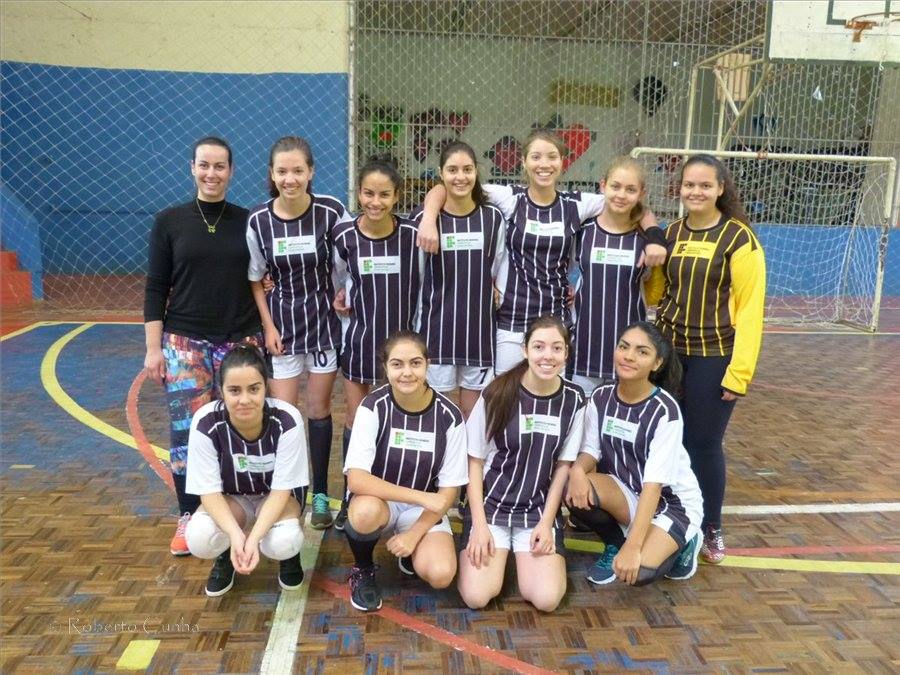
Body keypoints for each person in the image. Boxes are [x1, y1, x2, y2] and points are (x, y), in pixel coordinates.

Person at [416, 130, 668, 374]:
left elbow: (633, 205)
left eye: (552, 156)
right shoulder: (510, 197)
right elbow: (446, 188)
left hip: (555, 320)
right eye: (536, 156)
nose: (544, 164)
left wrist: (655, 237)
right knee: (506, 394)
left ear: (562, 162)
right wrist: (428, 220)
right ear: (524, 162)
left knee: (552, 394)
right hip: (512, 319)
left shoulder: (575, 204)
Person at [143, 136, 262, 556]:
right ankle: (189, 513)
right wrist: (153, 349)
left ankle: (238, 509)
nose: (212, 173)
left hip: (240, 339)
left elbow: (262, 276)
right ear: (192, 168)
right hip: (184, 342)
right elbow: (156, 287)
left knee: (240, 424)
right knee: (188, 432)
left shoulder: (249, 221)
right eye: (204, 165)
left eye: (220, 166)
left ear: (231, 171)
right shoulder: (169, 221)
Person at [656, 154, 766, 563]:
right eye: (689, 184)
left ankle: (711, 525)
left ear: (721, 188)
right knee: (668, 441)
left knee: (702, 443)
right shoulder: (670, 233)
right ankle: (669, 517)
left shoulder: (739, 239)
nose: (696, 192)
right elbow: (656, 293)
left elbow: (751, 310)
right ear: (680, 188)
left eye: (705, 185)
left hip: (714, 356)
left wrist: (739, 374)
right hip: (669, 355)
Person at [246, 136, 351, 530]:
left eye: (297, 170)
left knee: (318, 411)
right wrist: (268, 326)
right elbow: (255, 278)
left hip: (324, 326)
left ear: (311, 172)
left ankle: (320, 493)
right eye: (282, 171)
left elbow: (351, 256)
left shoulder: (331, 211)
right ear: (272, 175)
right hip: (283, 331)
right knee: (284, 415)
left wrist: (345, 294)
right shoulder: (259, 220)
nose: (290, 179)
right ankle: (292, 492)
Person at [458, 316, 585, 612]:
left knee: (546, 600)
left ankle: (519, 556)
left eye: (556, 348)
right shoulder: (497, 393)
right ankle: (498, 554)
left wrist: (546, 522)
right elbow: (474, 462)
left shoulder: (574, 399)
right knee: (477, 597)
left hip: (536, 509)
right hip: (491, 507)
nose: (547, 356)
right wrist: (479, 526)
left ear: (566, 353)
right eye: (539, 347)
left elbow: (562, 467)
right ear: (525, 350)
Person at [566, 322, 703, 586]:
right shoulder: (601, 397)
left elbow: (653, 485)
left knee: (638, 573)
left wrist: (634, 547)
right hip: (627, 491)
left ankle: (687, 539)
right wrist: (577, 470)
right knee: (570, 487)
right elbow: (591, 450)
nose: (629, 356)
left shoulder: (665, 411)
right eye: (624, 347)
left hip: (671, 504)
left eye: (642, 352)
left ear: (657, 363)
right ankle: (615, 543)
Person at [341, 331, 467, 612]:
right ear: (385, 367)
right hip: (380, 501)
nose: (407, 372)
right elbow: (357, 480)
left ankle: (412, 548)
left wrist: (414, 534)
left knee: (441, 574)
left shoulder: (450, 416)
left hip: (423, 510)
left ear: (428, 364)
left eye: (415, 363)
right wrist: (420, 497)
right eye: (397, 364)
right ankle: (363, 569)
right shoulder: (372, 407)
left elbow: (449, 491)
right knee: (364, 513)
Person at [331, 157, 422, 529]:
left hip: (401, 351)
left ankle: (397, 492)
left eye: (384, 194)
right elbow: (337, 279)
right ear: (359, 193)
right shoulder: (344, 236)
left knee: (397, 421)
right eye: (368, 193)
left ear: (397, 196)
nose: (375, 201)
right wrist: (340, 296)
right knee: (357, 421)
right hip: (361, 342)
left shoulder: (412, 235)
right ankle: (350, 495)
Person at [184, 345, 307, 597]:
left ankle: (288, 556)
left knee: (284, 541)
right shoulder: (206, 422)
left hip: (275, 498)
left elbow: (282, 491)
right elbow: (208, 492)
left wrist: (253, 539)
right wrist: (235, 536)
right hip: (233, 499)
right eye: (234, 390)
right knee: (198, 537)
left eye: (253, 389)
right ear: (221, 391)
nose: (244, 399)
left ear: (265, 387)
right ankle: (226, 554)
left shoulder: (286, 420)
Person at [411, 141, 506, 418]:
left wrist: (496, 289)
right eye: (452, 170)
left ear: (476, 171)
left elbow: (498, 266)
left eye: (467, 169)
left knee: (473, 413)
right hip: (437, 328)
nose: (460, 177)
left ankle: (469, 451)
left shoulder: (492, 218)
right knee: (437, 411)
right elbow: (417, 276)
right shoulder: (425, 220)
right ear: (441, 173)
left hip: (478, 330)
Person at [570, 157, 665, 395]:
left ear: (641, 193)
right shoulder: (583, 231)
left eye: (630, 189)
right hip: (585, 345)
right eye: (615, 186)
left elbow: (654, 290)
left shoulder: (646, 240)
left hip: (629, 350)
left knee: (623, 411)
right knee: (584, 412)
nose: (621, 195)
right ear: (603, 186)